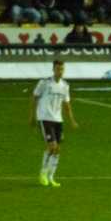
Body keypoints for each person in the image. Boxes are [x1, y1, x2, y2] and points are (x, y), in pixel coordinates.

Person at [29, 60, 78, 188]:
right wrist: (32, 116)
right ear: (53, 69)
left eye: (62, 69)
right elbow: (34, 97)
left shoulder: (65, 85)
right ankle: (43, 174)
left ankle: (51, 177)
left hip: (58, 120)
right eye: (57, 69)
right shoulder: (44, 83)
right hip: (45, 118)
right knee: (52, 146)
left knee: (57, 150)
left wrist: (71, 120)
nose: (60, 71)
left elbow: (67, 104)